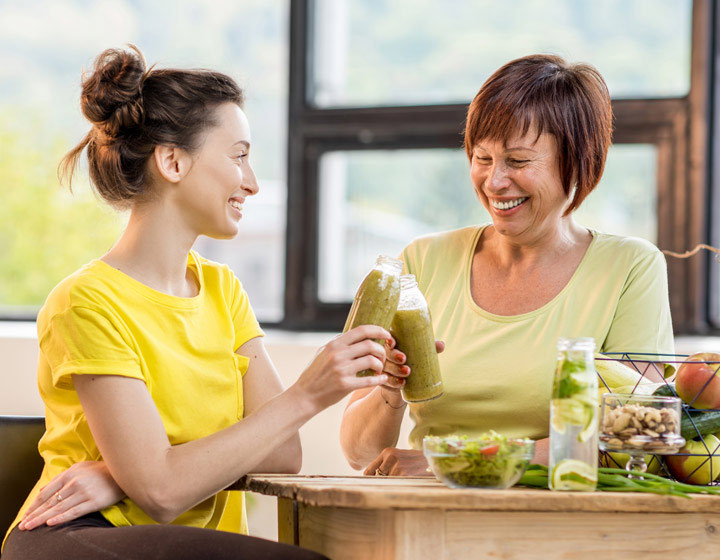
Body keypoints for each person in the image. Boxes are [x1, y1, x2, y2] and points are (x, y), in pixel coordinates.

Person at [1, 46, 393, 559]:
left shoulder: (222, 290)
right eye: (239, 155)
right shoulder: (86, 302)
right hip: (80, 535)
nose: (251, 182)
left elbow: (281, 452)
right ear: (172, 161)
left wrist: (122, 475)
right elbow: (162, 494)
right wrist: (306, 395)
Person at [339, 54, 674, 476]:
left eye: (517, 161)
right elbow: (360, 454)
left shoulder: (629, 268)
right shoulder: (421, 263)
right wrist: (390, 389)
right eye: (482, 158)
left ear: (577, 161)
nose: (495, 181)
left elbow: (636, 434)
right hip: (424, 518)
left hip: (562, 522)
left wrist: (454, 464)